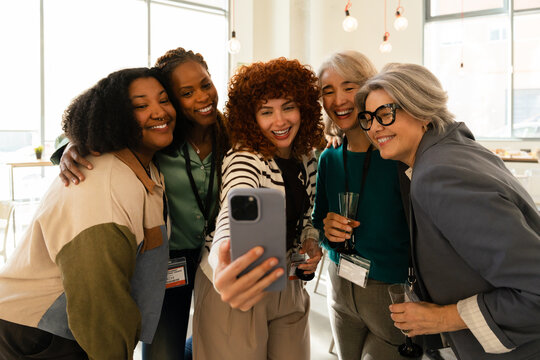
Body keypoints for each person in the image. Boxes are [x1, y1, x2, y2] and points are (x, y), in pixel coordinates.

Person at [356, 63, 540, 360]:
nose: (374, 127)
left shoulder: (439, 175)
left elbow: (535, 290)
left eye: (386, 113)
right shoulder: (453, 151)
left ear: (423, 111)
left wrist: (441, 318)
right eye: (368, 118)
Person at [54, 47, 229, 360]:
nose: (202, 97)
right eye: (186, 92)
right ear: (172, 100)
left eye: (205, 84)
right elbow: (98, 126)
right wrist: (70, 146)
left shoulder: (232, 134)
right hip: (167, 259)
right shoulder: (156, 138)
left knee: (220, 346)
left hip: (217, 256)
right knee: (163, 352)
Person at [0, 67, 175, 359]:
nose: (159, 112)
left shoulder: (145, 166)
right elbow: (99, 303)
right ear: (116, 115)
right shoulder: (101, 184)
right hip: (39, 334)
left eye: (164, 100)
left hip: (72, 327)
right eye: (141, 106)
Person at [193, 58, 325, 360]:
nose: (279, 121)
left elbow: (308, 215)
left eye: (288, 107)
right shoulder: (246, 158)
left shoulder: (306, 157)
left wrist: (310, 240)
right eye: (266, 112)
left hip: (287, 283)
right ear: (251, 118)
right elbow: (236, 203)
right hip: (237, 282)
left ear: (303, 108)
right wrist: (224, 258)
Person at [311, 51, 413, 360]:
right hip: (340, 285)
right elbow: (318, 222)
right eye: (327, 91)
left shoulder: (396, 156)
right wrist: (326, 228)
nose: (338, 99)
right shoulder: (329, 158)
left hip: (389, 291)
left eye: (348, 86)